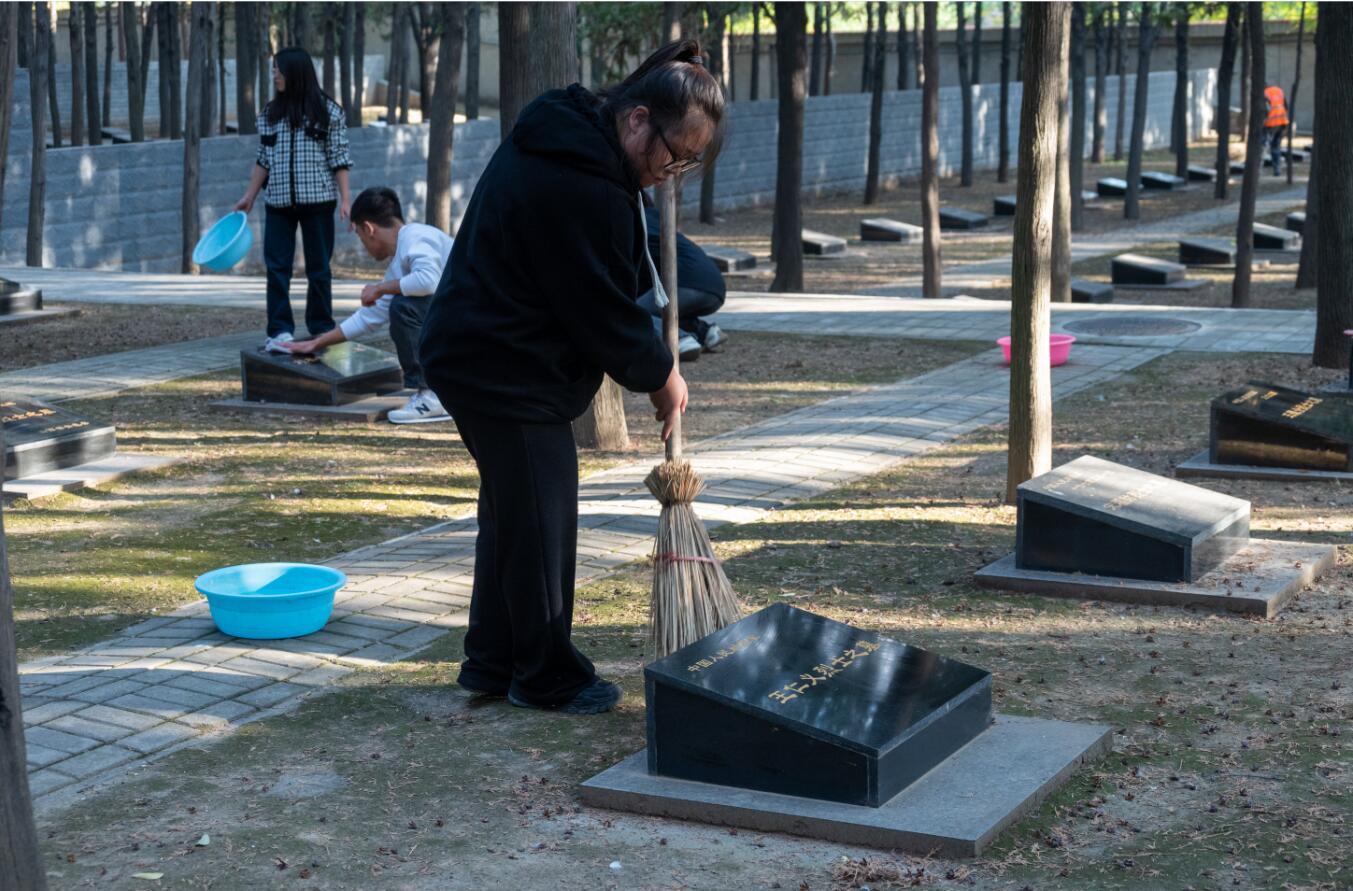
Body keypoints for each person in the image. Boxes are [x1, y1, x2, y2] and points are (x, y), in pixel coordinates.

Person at [418, 40, 724, 715]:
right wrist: (660, 375)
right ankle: (547, 675)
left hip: (487, 351)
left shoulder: (573, 139)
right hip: (497, 363)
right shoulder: (579, 181)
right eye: (672, 156)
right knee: (541, 514)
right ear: (638, 119)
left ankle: (494, 661)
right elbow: (599, 308)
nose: (670, 175)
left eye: (688, 164)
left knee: (514, 512)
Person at [284, 187, 454, 424]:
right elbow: (369, 317)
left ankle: (430, 395)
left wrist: (381, 288)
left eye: (360, 236)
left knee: (404, 307)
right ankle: (444, 390)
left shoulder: (416, 237)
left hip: (474, 316)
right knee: (401, 303)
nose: (363, 244)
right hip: (460, 317)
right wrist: (316, 342)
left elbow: (428, 281)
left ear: (368, 228)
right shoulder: (401, 260)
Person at [233, 47, 352, 353]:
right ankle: (279, 330)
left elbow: (339, 159)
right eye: (273, 70)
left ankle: (321, 325)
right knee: (276, 269)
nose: (274, 76)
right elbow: (264, 159)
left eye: (278, 71)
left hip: (319, 202)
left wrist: (346, 199)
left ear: (295, 72)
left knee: (319, 269)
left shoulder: (329, 112)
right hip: (278, 205)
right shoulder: (271, 114)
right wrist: (249, 195)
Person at [639, 203, 728, 362]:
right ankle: (706, 333)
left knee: (632, 312)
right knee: (662, 310)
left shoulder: (633, 219)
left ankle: (681, 339)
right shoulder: (653, 215)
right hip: (715, 285)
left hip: (686, 283)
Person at [1263, 84, 1289, 178]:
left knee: (1263, 146)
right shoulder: (1279, 91)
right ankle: (1277, 170)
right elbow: (1286, 106)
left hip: (1271, 124)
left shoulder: (1264, 93)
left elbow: (1265, 110)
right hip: (1282, 122)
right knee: (1276, 146)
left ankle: (1257, 170)